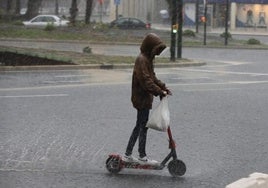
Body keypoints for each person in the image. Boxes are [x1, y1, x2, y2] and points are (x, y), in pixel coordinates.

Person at [124, 33, 171, 164]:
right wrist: (159, 91)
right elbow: (146, 81)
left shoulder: (148, 59)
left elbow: (153, 77)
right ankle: (138, 155)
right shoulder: (142, 60)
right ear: (150, 47)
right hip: (141, 98)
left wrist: (163, 87)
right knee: (141, 126)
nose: (156, 54)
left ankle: (131, 154)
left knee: (141, 126)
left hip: (145, 98)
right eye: (156, 50)